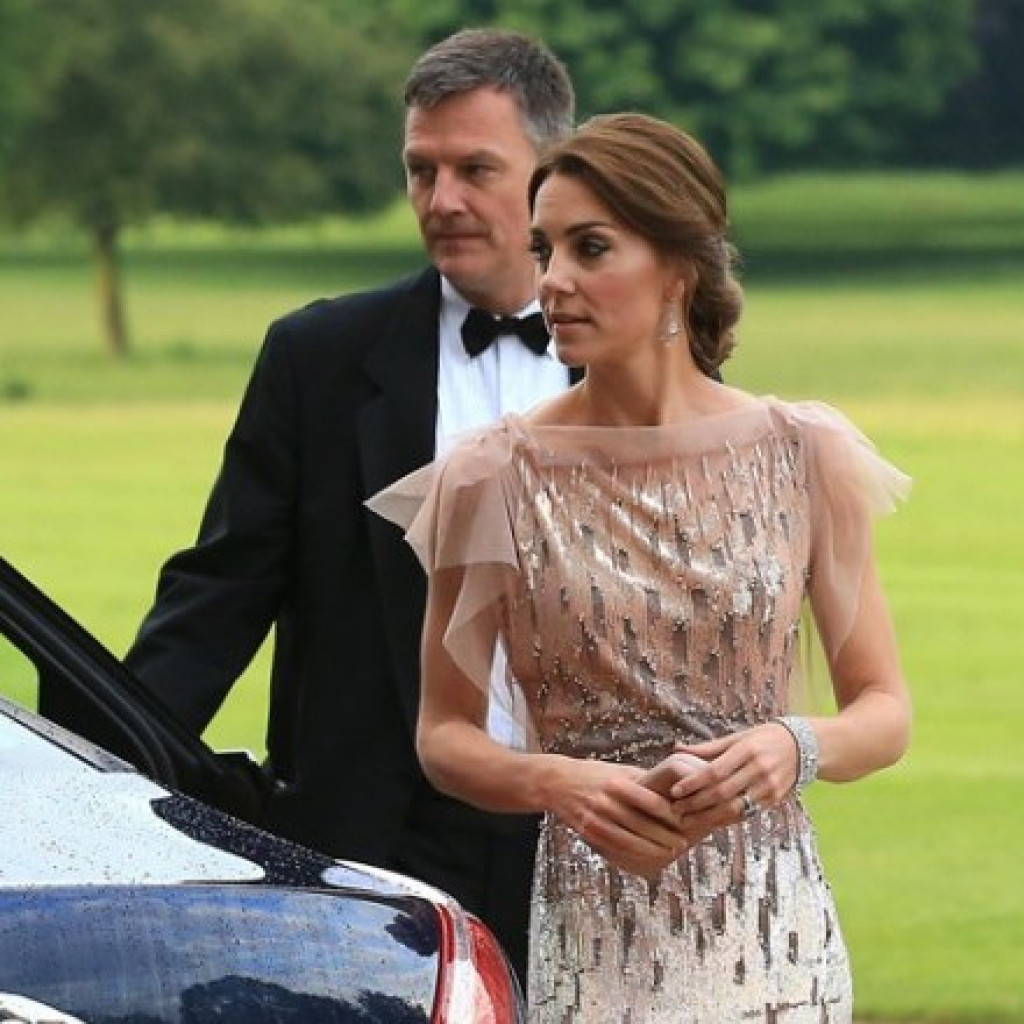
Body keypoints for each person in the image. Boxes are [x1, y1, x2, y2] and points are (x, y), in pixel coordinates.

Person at [368, 113, 912, 1021]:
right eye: (544, 250)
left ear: (679, 267)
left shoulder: (803, 451)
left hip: (777, 937)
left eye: (590, 248)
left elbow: (884, 711)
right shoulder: (490, 474)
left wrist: (793, 746)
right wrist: (560, 781)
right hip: (595, 938)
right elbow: (445, 736)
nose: (553, 280)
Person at [118, 29, 576, 984]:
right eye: (421, 169)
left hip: (586, 837)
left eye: (475, 169)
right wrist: (90, 768)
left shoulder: (642, 359)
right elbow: (218, 594)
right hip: (374, 843)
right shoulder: (317, 359)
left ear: (551, 173)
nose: (441, 200)